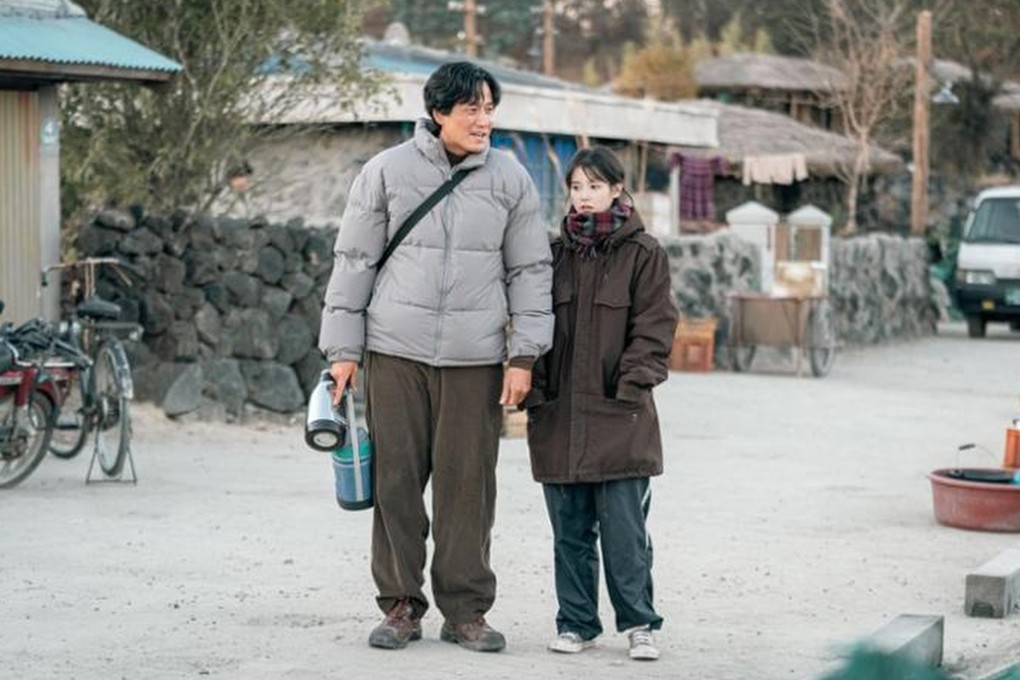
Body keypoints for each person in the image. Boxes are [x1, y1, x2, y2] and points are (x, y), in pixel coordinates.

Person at [318, 61, 553, 653]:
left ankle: (466, 610)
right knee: (395, 479)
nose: (484, 119)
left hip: (476, 359)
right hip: (395, 350)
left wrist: (523, 355)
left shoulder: (511, 179)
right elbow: (354, 263)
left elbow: (530, 271)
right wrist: (343, 351)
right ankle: (400, 605)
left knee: (468, 485)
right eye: (471, 108)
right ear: (438, 111)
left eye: (490, 108)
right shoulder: (385, 172)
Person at [524, 146, 678, 661]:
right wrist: (536, 387)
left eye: (593, 186)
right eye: (575, 187)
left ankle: (639, 622)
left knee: (624, 529)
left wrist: (632, 386)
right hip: (560, 414)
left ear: (617, 190)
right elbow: (533, 323)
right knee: (568, 530)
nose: (583, 196)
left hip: (620, 412)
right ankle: (577, 622)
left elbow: (655, 325)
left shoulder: (644, 253)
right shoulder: (552, 254)